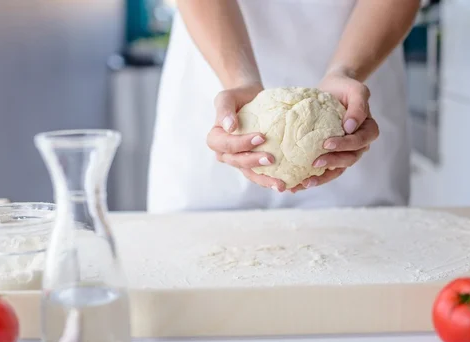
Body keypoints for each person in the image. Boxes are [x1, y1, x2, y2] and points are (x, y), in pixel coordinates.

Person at [147, 0, 420, 213]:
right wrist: (239, 79)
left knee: (361, 261)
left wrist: (346, 71)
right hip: (218, 74)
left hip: (356, 82)